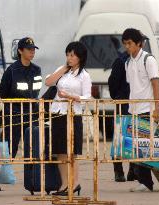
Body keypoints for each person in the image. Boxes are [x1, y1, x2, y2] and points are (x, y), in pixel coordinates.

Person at [45, 41, 92, 196]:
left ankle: (74, 182)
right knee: (60, 151)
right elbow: (48, 82)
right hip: (58, 113)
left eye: (72, 55)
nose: (69, 58)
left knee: (71, 151)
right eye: (67, 54)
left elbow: (86, 97)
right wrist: (63, 69)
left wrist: (70, 96)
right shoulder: (62, 70)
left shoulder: (84, 75)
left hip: (73, 114)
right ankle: (64, 184)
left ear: (80, 57)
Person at [122, 28, 159, 192]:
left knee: (145, 147)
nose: (127, 47)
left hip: (147, 109)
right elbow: (133, 86)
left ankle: (147, 182)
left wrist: (157, 108)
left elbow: (155, 84)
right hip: (134, 110)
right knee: (137, 148)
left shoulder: (148, 60)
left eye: (129, 43)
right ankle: (144, 181)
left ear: (139, 43)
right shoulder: (128, 62)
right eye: (125, 44)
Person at [0, 37, 42, 158]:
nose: (32, 52)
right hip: (14, 114)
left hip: (32, 113)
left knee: (33, 149)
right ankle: (6, 174)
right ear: (20, 51)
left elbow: (36, 90)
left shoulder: (36, 70)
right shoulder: (12, 70)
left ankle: (33, 176)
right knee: (10, 148)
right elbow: (3, 92)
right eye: (29, 49)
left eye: (33, 49)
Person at [108, 50, 136, 182]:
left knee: (136, 136)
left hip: (138, 102)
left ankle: (133, 170)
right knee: (120, 136)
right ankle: (118, 170)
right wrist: (117, 97)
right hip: (124, 102)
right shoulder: (121, 61)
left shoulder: (144, 59)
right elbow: (113, 82)